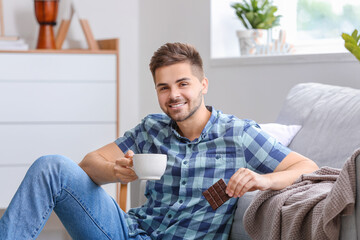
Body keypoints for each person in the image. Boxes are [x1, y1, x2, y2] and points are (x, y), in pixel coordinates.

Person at [0, 42, 319, 240]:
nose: (174, 95)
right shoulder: (151, 129)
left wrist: (261, 179)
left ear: (203, 84)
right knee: (51, 166)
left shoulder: (238, 134)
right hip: (125, 231)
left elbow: (305, 165)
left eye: (183, 83)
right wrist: (116, 171)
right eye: (163, 87)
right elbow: (88, 165)